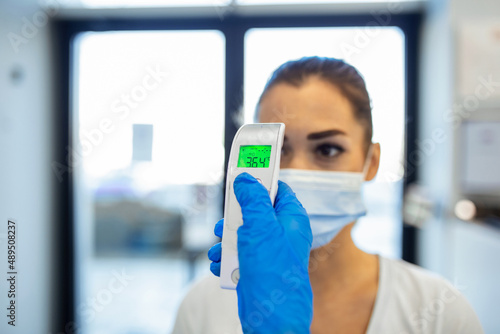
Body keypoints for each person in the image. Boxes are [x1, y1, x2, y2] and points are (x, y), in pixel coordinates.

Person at [171, 57, 483, 334]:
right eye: (278, 150)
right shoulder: (201, 308)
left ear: (370, 162)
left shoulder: (440, 312)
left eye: (327, 149)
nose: (295, 171)